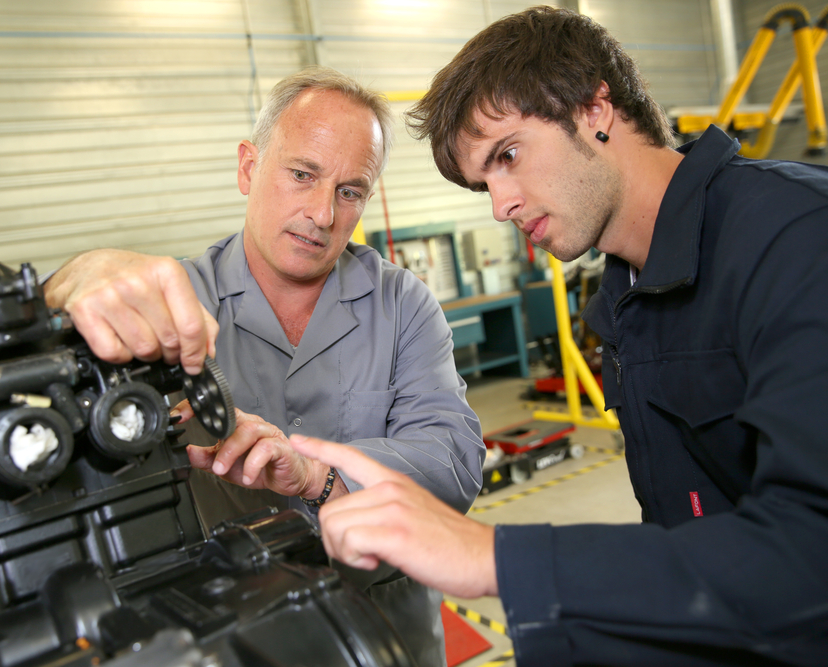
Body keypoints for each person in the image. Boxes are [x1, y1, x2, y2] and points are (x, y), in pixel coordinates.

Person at [288, 6, 828, 667]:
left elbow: (811, 551)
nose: (500, 203)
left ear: (595, 108)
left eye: (508, 155)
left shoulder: (798, 239)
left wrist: (495, 557)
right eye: (484, 181)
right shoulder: (627, 299)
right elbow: (690, 535)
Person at [44, 66, 486, 666]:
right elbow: (57, 335)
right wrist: (81, 273)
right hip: (226, 633)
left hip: (384, 626)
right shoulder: (173, 304)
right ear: (249, 168)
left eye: (350, 190)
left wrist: (317, 476)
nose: (323, 213)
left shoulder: (402, 304)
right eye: (302, 175)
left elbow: (453, 461)